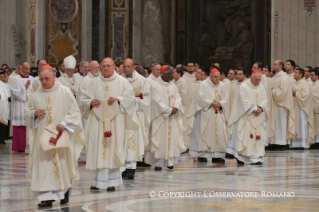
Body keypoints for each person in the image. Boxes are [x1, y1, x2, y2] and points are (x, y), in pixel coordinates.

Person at [25, 65, 85, 208]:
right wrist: (34, 113)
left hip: (61, 136)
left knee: (62, 164)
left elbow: (75, 112)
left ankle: (64, 190)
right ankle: (46, 197)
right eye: (42, 79)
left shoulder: (65, 92)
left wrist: (65, 123)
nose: (44, 82)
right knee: (44, 165)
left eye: (47, 79)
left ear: (54, 76)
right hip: (43, 139)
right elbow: (28, 111)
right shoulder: (36, 95)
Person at [81, 57, 138, 191]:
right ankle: (97, 182)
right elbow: (82, 98)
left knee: (113, 149)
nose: (106, 68)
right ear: (100, 68)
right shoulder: (94, 83)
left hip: (115, 122)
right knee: (97, 148)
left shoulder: (122, 82)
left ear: (114, 67)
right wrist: (90, 102)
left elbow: (130, 99)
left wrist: (118, 99)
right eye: (103, 66)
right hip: (97, 121)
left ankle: (112, 182)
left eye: (108, 66)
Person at [145, 65, 185, 170]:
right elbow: (155, 102)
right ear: (165, 74)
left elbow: (178, 98)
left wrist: (176, 107)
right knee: (160, 140)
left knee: (172, 139)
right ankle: (158, 163)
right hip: (161, 118)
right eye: (172, 73)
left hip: (172, 117)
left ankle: (170, 162)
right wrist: (168, 110)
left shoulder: (173, 85)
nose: (173, 75)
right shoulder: (155, 86)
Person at [187, 68, 229, 163]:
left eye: (219, 77)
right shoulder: (203, 85)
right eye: (215, 77)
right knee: (204, 132)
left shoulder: (222, 85)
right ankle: (202, 155)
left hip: (217, 113)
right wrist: (211, 103)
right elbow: (199, 98)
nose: (218, 79)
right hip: (205, 114)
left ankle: (217, 155)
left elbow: (226, 97)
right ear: (210, 77)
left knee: (218, 133)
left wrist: (221, 103)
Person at [226, 71, 268, 165]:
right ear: (251, 78)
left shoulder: (261, 87)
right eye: (256, 80)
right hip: (246, 116)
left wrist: (260, 108)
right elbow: (242, 100)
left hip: (258, 117)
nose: (258, 82)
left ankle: (257, 157)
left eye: (259, 80)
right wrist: (254, 108)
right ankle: (243, 157)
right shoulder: (243, 87)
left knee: (258, 138)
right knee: (245, 137)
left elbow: (265, 99)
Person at [122, 58, 151, 179]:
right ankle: (123, 167)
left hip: (136, 115)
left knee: (134, 141)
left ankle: (131, 168)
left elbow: (147, 99)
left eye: (128, 67)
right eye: (124, 67)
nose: (126, 69)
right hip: (122, 115)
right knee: (123, 141)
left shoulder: (142, 81)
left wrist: (133, 100)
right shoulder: (119, 80)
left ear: (134, 67)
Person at [267, 60, 295, 150]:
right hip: (274, 104)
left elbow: (283, 92)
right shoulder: (275, 77)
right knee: (274, 122)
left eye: (275, 64)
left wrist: (273, 91)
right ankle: (274, 142)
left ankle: (282, 143)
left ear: (280, 66)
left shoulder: (284, 77)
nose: (273, 65)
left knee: (280, 123)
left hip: (281, 105)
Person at [11, 62, 34, 153]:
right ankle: (20, 147)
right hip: (19, 105)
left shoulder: (33, 79)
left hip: (30, 105)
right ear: (22, 69)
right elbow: (14, 92)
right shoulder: (15, 79)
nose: (28, 71)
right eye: (26, 69)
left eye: (29, 69)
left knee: (29, 125)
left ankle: (28, 147)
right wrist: (25, 87)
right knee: (20, 125)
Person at [290, 68, 314, 149]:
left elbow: (306, 95)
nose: (294, 74)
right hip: (294, 107)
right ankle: (294, 143)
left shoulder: (305, 84)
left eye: (296, 72)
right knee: (294, 123)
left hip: (301, 108)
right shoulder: (292, 83)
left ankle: (302, 144)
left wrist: (296, 94)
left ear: (300, 74)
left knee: (301, 125)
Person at [310, 68, 319, 144]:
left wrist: (309, 96)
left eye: (312, 75)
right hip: (311, 109)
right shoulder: (310, 85)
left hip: (317, 109)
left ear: (317, 76)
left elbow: (317, 97)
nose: (311, 76)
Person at [0, 78, 9, 144]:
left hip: (2, 105)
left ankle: (1, 139)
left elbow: (6, 95)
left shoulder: (2, 84)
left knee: (2, 122)